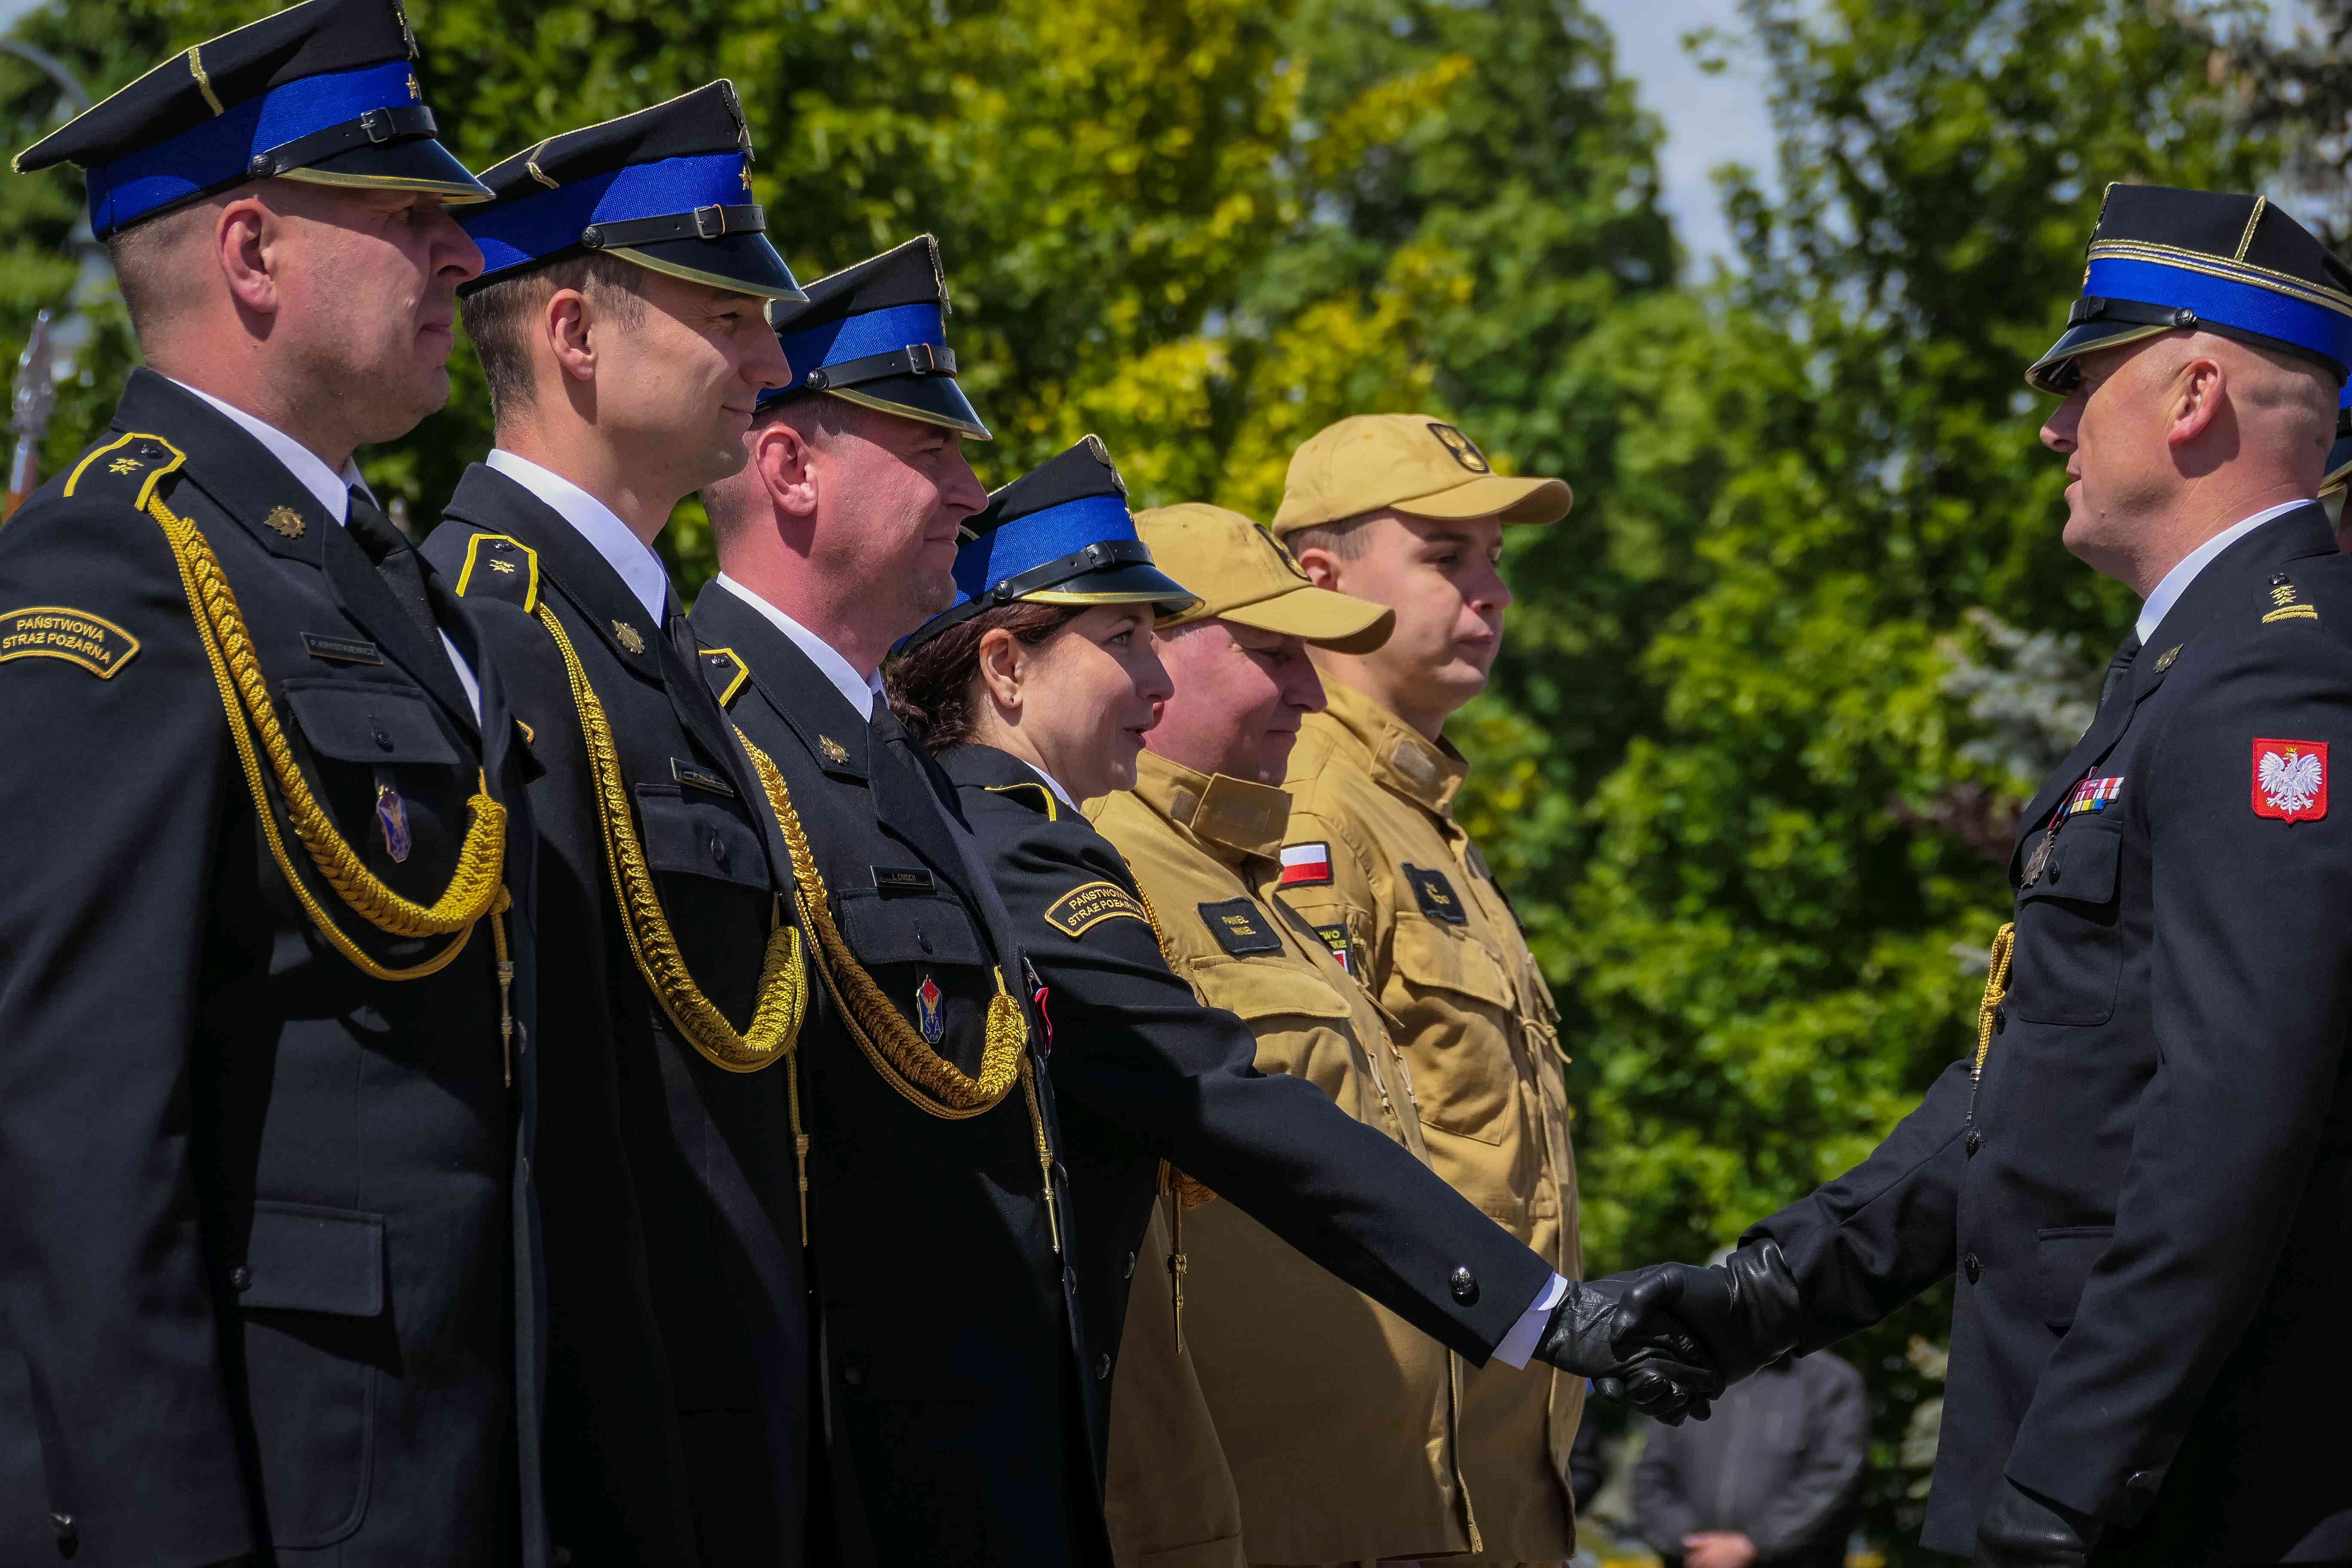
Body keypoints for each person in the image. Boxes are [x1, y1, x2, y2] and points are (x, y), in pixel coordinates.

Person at [1621, 187, 2352, 1567]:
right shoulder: (2193, 668)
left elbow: (2236, 1111)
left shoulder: (2275, 676)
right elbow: (2053, 1077)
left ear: (2195, 393)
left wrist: (2074, 1474)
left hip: (2178, 1503)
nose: (2053, 429)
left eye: (2082, 382)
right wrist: (1769, 1289)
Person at [883, 438, 1723, 1560]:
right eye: (1127, 641)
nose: (1153, 684)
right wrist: (1548, 1312)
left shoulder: (1163, 853)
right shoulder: (1055, 854)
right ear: (1005, 666)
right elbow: (1226, 1109)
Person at [0, 0, 546, 1560]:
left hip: (448, 1452)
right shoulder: (117, 571)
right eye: (411, 218)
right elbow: (77, 1136)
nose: (463, 256)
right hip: (292, 1483)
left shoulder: (377, 578)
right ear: (252, 253)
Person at [414, 85, 810, 1565]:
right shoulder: (487, 629)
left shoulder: (649, 643)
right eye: (728, 315)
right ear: (576, 335)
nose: (772, 360)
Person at [689, 236, 1090, 1563]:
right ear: (789, 469)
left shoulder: (900, 757)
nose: (972, 494)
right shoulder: (706, 730)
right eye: (930, 450)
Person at [1090, 499, 1537, 1565]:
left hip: (1392, 1499)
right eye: (1271, 654)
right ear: (1146, 656)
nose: (1309, 689)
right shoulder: (1099, 862)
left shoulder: (1240, 868)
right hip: (1255, 1517)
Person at [1267, 413, 1586, 1559]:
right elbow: (1306, 1150)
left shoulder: (1419, 817)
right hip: (1392, 1488)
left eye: (1493, 559)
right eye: (1445, 558)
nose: (1490, 593)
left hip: (1491, 1483)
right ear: (1321, 580)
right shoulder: (1308, 803)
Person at [1631, 1348, 1866, 1568]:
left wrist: (1755, 1543)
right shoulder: (1689, 1378)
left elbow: (1835, 1476)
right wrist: (1688, 1541)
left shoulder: (1831, 1382)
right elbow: (1651, 1476)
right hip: (1693, 1560)